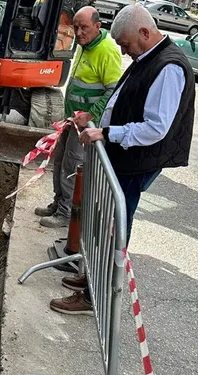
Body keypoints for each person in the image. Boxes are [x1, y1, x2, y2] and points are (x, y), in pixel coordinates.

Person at [50, 4, 196, 315]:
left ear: (145, 32)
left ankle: (95, 296)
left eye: (126, 44)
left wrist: (107, 133)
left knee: (114, 230)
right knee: (104, 225)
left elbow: (156, 128)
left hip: (136, 163)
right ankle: (91, 278)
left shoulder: (168, 67)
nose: (124, 51)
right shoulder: (149, 57)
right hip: (125, 160)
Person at [36, 6, 123, 229]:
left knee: (71, 166)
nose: (79, 32)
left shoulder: (106, 51)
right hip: (71, 120)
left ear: (97, 26)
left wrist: (91, 115)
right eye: (76, 27)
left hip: (85, 125)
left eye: (84, 27)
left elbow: (113, 91)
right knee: (60, 161)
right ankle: (58, 203)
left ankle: (66, 212)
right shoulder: (85, 46)